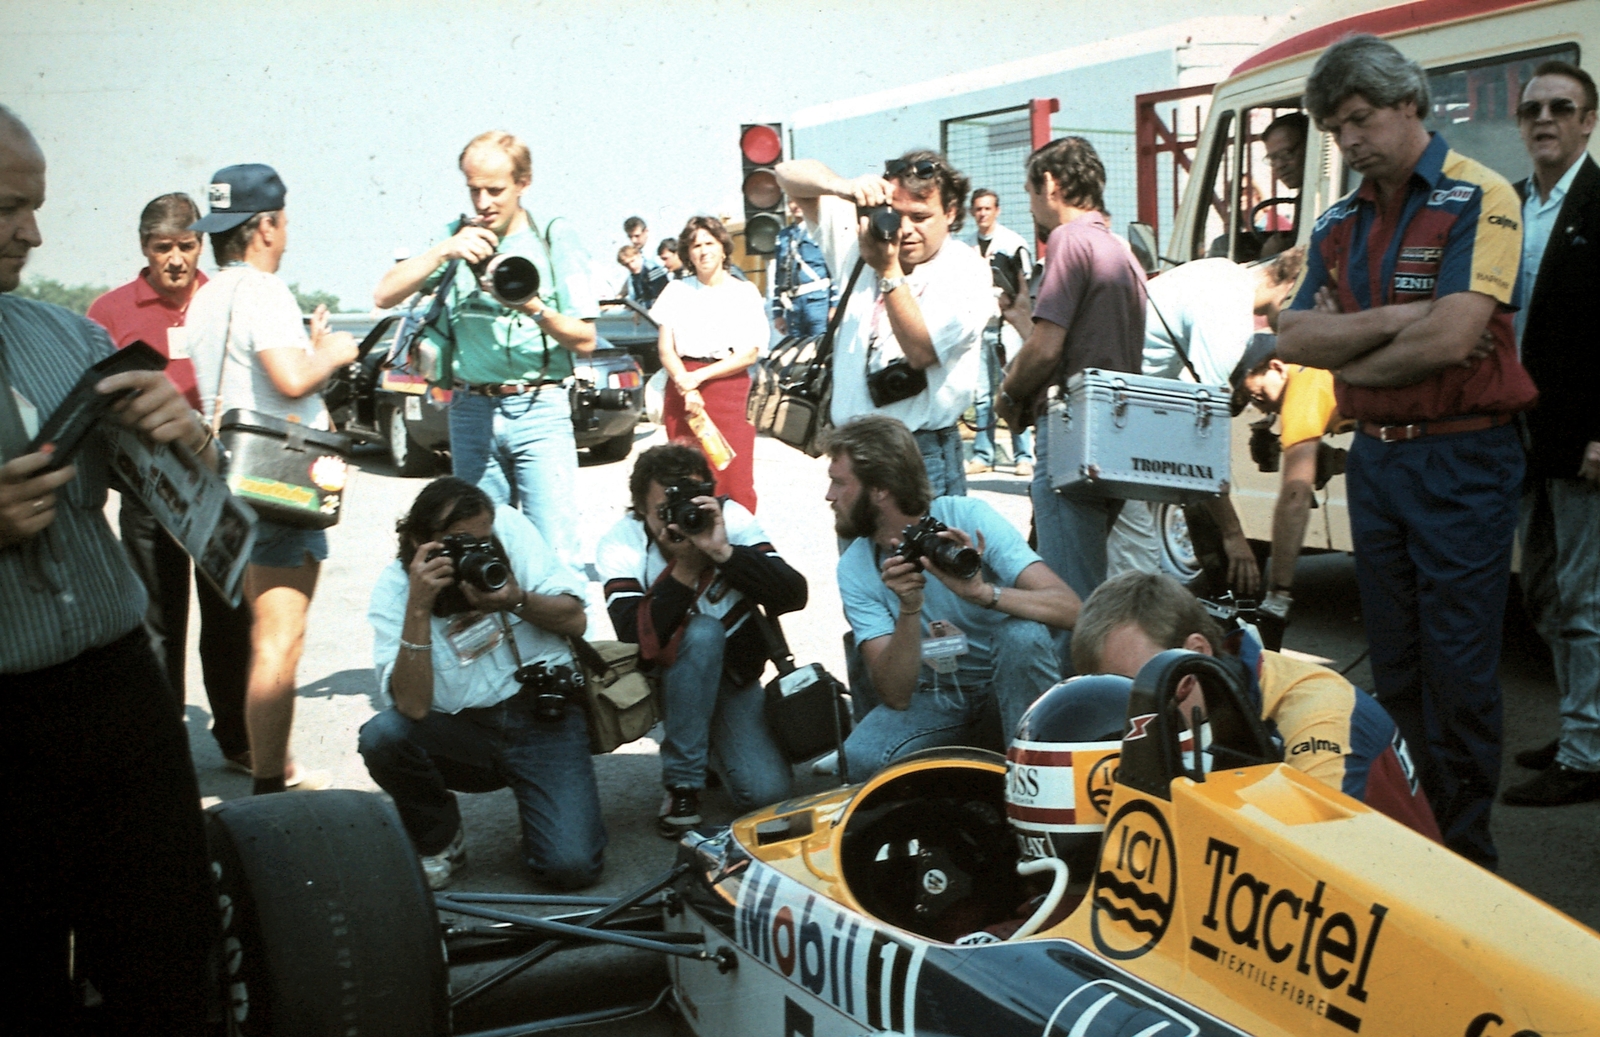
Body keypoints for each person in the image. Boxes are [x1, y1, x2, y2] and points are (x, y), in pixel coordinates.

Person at [1276, 35, 1536, 869]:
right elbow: (1291, 331)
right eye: (1335, 127)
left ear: (1409, 106)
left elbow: (1458, 335)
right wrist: (1397, 325)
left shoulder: (1478, 196)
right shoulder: (1338, 221)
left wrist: (1350, 360)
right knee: (1396, 665)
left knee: (1458, 672)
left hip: (1464, 459)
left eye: (1360, 118)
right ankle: (1413, 839)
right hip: (1382, 464)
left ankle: (1466, 856)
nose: (1349, 140)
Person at [1, 104, 218, 1034]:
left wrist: (190, 442)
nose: (33, 232)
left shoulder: (71, 339)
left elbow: (195, 500)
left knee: (170, 954)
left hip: (120, 692)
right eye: (10, 207)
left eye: (36, 206)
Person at [188, 163, 357, 794]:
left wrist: (308, 353)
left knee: (265, 634)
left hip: (233, 483)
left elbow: (249, 381)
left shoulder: (210, 296)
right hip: (281, 490)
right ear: (263, 225)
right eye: (281, 223)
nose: (284, 235)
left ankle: (274, 766)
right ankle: (268, 788)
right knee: (279, 643)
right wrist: (333, 354)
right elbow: (289, 381)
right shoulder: (263, 291)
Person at [359, 477, 605, 889]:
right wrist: (418, 608)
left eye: (482, 541)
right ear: (420, 540)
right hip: (464, 731)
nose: (475, 552)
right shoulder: (395, 589)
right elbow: (413, 708)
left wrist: (515, 600)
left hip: (542, 714)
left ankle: (545, 816)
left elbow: (576, 619)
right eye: (458, 544)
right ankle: (438, 838)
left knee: (570, 867)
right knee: (383, 736)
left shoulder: (506, 531)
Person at [1072, 570, 1442, 838]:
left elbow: (1308, 863)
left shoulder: (1318, 716)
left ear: (1195, 654)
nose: (1131, 720)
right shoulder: (1223, 684)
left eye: (1141, 692)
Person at [373, 131, 597, 569]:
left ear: (523, 184)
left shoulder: (551, 237)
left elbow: (585, 338)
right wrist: (444, 251)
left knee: (554, 553)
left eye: (495, 190)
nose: (483, 202)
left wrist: (531, 306)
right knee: (478, 550)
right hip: (470, 409)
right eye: (474, 190)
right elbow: (384, 295)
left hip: (538, 408)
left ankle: (566, 638)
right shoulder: (456, 238)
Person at [87, 192, 252, 767]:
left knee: (232, 619)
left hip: (217, 481)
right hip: (147, 487)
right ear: (144, 248)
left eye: (187, 246)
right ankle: (163, 745)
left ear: (202, 244)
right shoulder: (108, 312)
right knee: (157, 624)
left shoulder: (224, 299)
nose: (176, 259)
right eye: (164, 248)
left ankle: (239, 740)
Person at [825, 415, 1078, 779]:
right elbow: (896, 695)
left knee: (1021, 635)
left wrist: (981, 592)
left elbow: (1071, 608)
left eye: (838, 482)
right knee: (862, 761)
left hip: (1006, 686)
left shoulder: (966, 516)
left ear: (880, 489)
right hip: (937, 695)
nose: (830, 496)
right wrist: (909, 609)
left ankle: (1035, 786)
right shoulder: (855, 566)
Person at [597, 444, 802, 837]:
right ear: (639, 508)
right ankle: (682, 784)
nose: (678, 517)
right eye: (664, 509)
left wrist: (723, 552)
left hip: (733, 678)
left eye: (687, 500)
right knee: (703, 631)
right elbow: (635, 642)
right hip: (667, 682)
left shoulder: (727, 518)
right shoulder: (620, 543)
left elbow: (793, 596)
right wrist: (686, 568)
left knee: (767, 794)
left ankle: (711, 749)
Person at [995, 136, 1147, 657]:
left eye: (1031, 192)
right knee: (1089, 583)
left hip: (1069, 434)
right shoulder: (1120, 250)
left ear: (1052, 185)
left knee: (1068, 601)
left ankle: (1075, 718)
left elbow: (1045, 349)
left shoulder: (1067, 241)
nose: (1032, 206)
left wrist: (1008, 394)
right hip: (1112, 437)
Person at [775, 150, 991, 497]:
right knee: (858, 554)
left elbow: (920, 351)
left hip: (916, 453)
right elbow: (785, 174)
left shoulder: (966, 270)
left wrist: (888, 271)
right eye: (897, 215)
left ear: (951, 213)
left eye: (920, 217)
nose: (905, 231)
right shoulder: (861, 244)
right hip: (852, 451)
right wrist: (842, 187)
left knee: (919, 553)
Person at [1504, 61, 1600, 807]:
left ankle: (1587, 748)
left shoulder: (1599, 204)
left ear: (1588, 121)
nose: (1545, 120)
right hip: (1522, 436)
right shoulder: (1512, 208)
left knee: (1582, 596)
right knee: (1541, 588)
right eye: (1533, 109)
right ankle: (1581, 726)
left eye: (1561, 109)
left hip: (1581, 440)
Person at [1105, 249, 1306, 597]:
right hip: (1112, 424)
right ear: (1288, 291)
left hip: (1111, 410)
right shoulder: (1231, 319)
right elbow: (1198, 442)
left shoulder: (1223, 271)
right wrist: (1233, 534)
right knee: (1135, 578)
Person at [1236, 341, 1350, 647]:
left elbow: (1294, 498)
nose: (1260, 407)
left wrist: (1279, 593)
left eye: (1259, 395)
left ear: (1276, 367)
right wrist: (1339, 461)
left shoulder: (1301, 386)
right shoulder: (1316, 366)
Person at [652, 216, 766, 512]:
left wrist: (699, 377)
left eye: (709, 243)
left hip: (729, 390)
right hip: (682, 390)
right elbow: (666, 349)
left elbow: (749, 353)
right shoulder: (676, 291)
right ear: (687, 253)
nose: (703, 251)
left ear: (723, 248)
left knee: (735, 478)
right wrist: (687, 386)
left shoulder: (744, 292)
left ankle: (740, 552)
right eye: (695, 245)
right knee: (685, 477)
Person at [966, 188, 1035, 478]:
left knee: (1013, 388)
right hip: (980, 327)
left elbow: (1027, 283)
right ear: (972, 212)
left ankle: (1023, 456)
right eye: (978, 209)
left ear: (997, 210)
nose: (982, 214)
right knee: (982, 394)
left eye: (987, 208)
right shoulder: (965, 245)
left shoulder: (1012, 243)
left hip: (1007, 328)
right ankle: (983, 454)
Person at [770, 197, 835, 339]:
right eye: (792, 201)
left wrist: (835, 305)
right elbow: (779, 276)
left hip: (818, 301)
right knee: (796, 349)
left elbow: (833, 270)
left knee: (820, 346)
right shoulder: (784, 236)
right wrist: (778, 313)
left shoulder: (821, 231)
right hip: (793, 306)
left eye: (801, 200)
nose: (797, 205)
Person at [1258, 112, 1310, 258]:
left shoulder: (1315, 198)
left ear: (1310, 145)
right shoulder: (1305, 198)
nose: (1280, 165)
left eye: (1287, 153)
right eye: (1273, 158)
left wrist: (1270, 256)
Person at [617, 243, 668, 308]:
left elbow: (659, 299)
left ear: (639, 255)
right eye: (626, 265)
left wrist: (637, 307)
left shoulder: (653, 270)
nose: (631, 266)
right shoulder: (633, 277)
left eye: (632, 261)